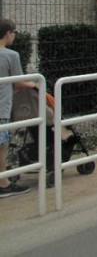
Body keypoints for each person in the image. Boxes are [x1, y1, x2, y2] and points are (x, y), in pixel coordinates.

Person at [0, 18, 36, 198]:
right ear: (7, 34)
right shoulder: (10, 55)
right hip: (1, 108)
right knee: (2, 145)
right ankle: (3, 183)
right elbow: (19, 82)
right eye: (13, 32)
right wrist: (34, 84)